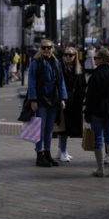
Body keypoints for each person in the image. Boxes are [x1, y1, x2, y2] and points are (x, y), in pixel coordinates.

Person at [26, 39, 67, 167]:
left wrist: (62, 98)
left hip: (53, 99)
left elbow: (61, 81)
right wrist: (33, 100)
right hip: (41, 99)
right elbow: (31, 82)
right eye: (44, 48)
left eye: (49, 47)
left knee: (49, 129)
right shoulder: (35, 63)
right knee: (40, 129)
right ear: (41, 49)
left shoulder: (56, 62)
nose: (46, 50)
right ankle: (39, 155)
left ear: (53, 49)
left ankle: (47, 153)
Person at [84, 48, 109, 177]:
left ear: (102, 59)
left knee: (98, 139)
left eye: (96, 58)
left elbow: (90, 97)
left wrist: (87, 113)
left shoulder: (95, 75)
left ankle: (100, 169)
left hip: (96, 109)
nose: (94, 60)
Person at [57, 46, 85, 162]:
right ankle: (63, 151)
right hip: (62, 101)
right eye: (65, 55)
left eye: (71, 55)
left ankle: (61, 150)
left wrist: (82, 99)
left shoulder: (79, 69)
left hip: (75, 103)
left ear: (75, 56)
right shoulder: (59, 67)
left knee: (67, 128)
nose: (68, 57)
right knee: (63, 128)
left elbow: (83, 85)